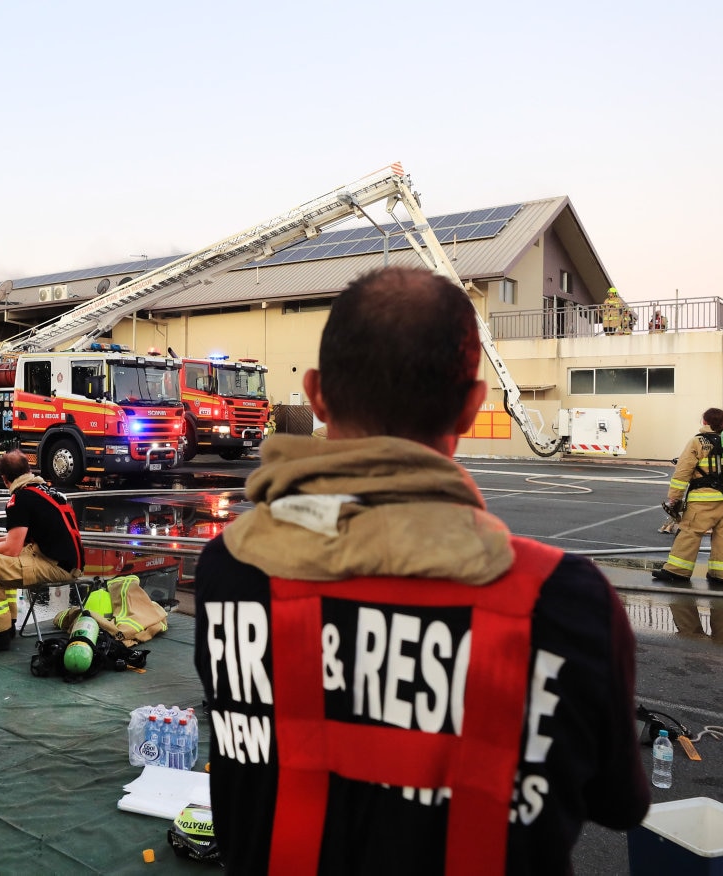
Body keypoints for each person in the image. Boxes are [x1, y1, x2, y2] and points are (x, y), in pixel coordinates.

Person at [192, 266, 649, 874]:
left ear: (317, 394)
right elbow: (620, 804)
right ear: (471, 407)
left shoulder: (231, 566)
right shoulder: (567, 601)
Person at [0, 449, 84, 653]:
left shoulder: (20, 499)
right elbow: (19, 538)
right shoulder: (45, 491)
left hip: (56, 566)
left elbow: (12, 548)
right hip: (67, 562)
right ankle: (6, 625)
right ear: (28, 470)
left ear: (4, 479)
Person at [651, 408, 723, 584]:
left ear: (704, 422)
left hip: (705, 500)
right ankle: (722, 575)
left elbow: (683, 471)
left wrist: (674, 497)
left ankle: (677, 572)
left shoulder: (697, 442)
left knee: (690, 533)